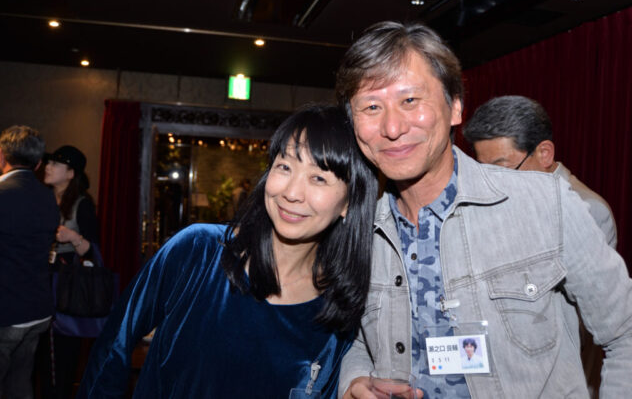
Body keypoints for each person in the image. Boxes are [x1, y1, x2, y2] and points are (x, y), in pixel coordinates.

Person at [335, 21, 632, 398]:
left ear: (455, 106)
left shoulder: (545, 202)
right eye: (371, 107)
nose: (392, 127)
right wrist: (355, 379)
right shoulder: (358, 227)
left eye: (410, 100)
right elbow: (362, 341)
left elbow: (629, 330)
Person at [77, 104, 378, 398]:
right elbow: (113, 347)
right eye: (285, 167)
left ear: (349, 202)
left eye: (319, 178)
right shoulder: (198, 252)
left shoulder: (338, 308)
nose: (291, 193)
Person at [462, 95, 617, 248]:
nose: (492, 184)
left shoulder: (587, 209)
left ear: (544, 154)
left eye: (502, 169)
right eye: (485, 170)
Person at [37, 145, 101, 399]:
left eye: (55, 164)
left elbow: (94, 252)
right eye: (48, 162)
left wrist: (73, 237)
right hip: (39, 283)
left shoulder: (82, 204)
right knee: (39, 354)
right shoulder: (41, 199)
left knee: (62, 356)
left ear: (71, 173)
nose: (48, 167)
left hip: (66, 288)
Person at [0, 125, 59, 398]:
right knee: (20, 383)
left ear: (2, 155)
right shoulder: (48, 197)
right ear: (37, 164)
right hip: (37, 310)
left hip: (6, 311)